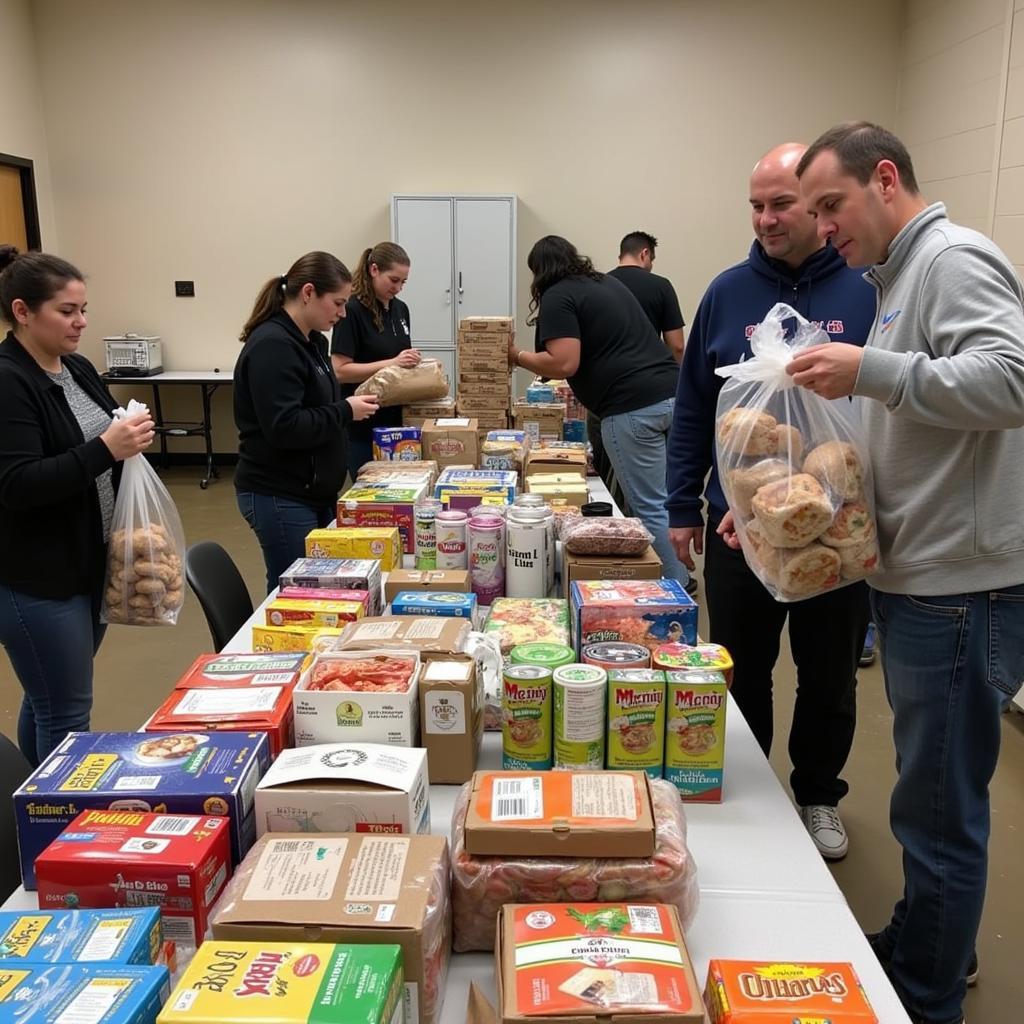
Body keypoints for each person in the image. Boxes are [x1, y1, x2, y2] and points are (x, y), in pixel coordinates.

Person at [794, 121, 1024, 1024]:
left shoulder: (954, 259)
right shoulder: (895, 280)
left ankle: (928, 994)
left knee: (938, 810)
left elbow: (1010, 379)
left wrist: (873, 370)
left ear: (883, 179)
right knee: (922, 798)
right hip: (923, 579)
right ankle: (923, 942)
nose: (822, 229)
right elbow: (913, 423)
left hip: (962, 589)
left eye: (830, 206)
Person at [664, 143, 874, 859]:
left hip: (833, 535)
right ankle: (750, 793)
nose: (766, 218)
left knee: (829, 675)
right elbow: (694, 404)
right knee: (739, 665)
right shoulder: (726, 292)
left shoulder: (865, 288)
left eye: (781, 203)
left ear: (816, 207)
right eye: (755, 205)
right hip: (739, 530)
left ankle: (818, 794)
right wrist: (681, 508)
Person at [0, 246, 155, 766]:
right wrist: (107, 447)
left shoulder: (77, 367)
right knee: (66, 710)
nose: (82, 322)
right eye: (67, 311)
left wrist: (126, 438)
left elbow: (103, 438)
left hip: (89, 560)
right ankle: (53, 828)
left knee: (48, 695)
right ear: (23, 311)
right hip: (36, 575)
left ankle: (25, 794)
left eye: (84, 309)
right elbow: (17, 483)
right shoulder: (8, 381)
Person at [509, 235, 692, 592]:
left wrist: (515, 356)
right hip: (672, 397)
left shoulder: (558, 295)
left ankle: (676, 591)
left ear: (539, 271)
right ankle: (682, 573)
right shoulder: (605, 283)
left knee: (649, 508)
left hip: (631, 408)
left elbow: (564, 361)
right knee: (671, 500)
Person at [234, 251, 378, 593]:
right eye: (338, 303)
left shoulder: (312, 341)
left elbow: (318, 405)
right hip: (280, 493)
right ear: (309, 293)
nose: (343, 313)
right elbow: (285, 426)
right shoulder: (273, 345)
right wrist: (346, 411)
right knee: (297, 590)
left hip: (312, 491)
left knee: (318, 586)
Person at [331, 242, 419, 480]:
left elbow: (399, 362)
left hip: (397, 422)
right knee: (370, 491)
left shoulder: (401, 310)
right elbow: (339, 370)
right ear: (374, 270)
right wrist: (392, 362)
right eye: (393, 280)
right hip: (363, 425)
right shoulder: (350, 310)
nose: (399, 288)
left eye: (403, 282)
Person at [608, 230, 686, 361]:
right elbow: (677, 346)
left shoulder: (599, 284)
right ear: (645, 254)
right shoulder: (661, 285)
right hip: (650, 371)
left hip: (609, 373)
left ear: (620, 257)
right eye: (652, 260)